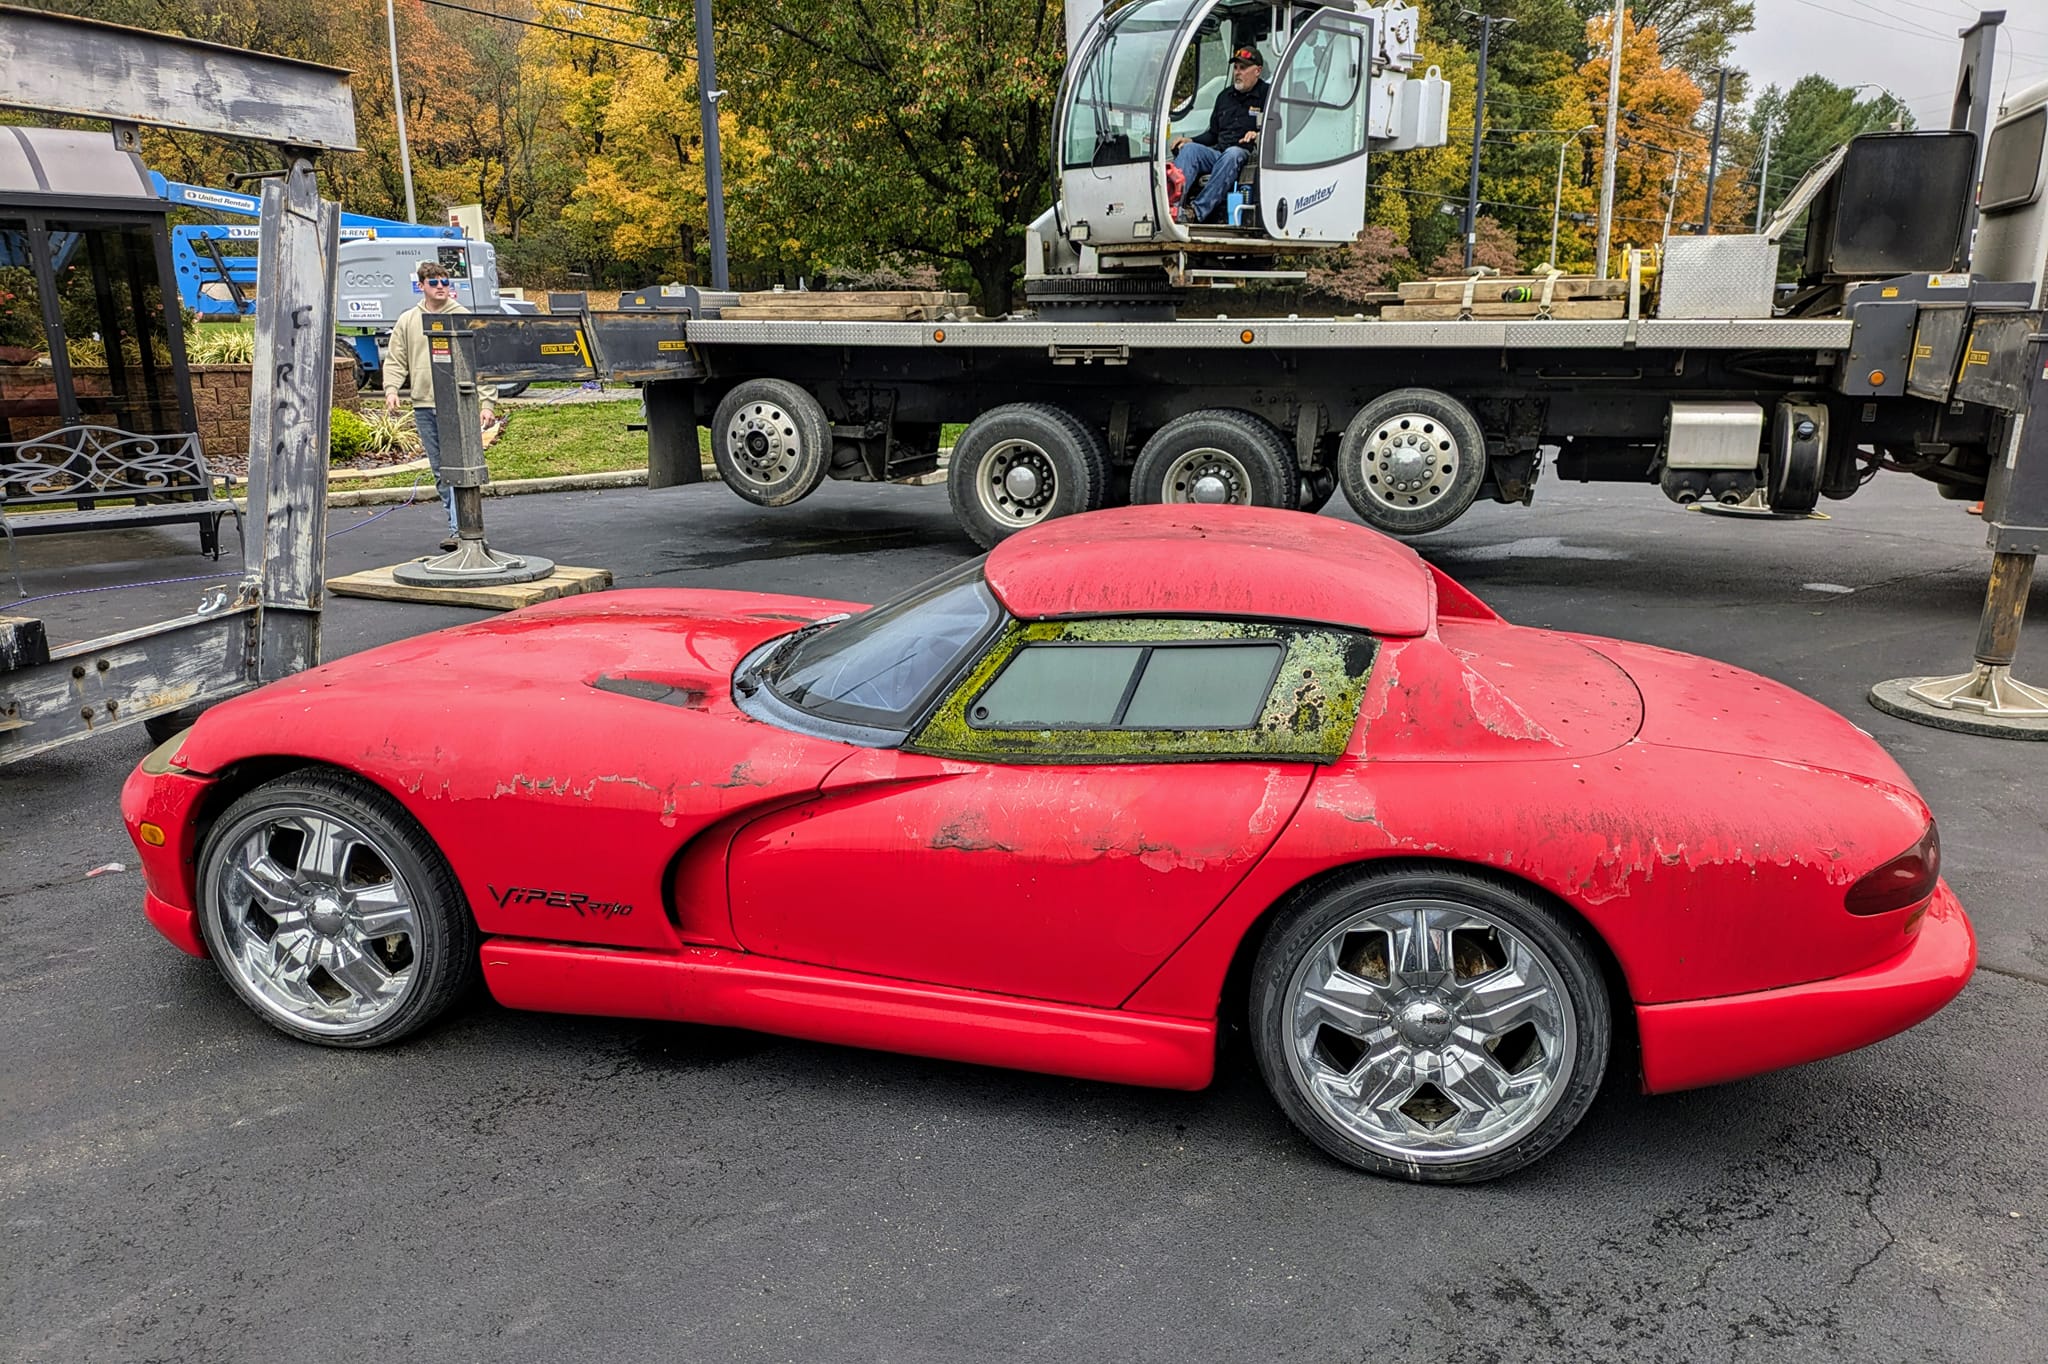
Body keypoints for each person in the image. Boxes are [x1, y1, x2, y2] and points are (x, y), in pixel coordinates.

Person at [383, 261, 467, 550]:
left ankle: (461, 529)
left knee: (460, 467)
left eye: (445, 282)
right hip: (423, 405)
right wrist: (392, 389)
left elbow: (478, 362)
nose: (441, 287)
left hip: (456, 404)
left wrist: (487, 403)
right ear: (422, 286)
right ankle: (455, 526)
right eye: (434, 282)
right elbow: (396, 358)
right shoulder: (408, 320)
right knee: (441, 470)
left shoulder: (462, 317)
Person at [1170, 46, 1269, 225]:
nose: (1238, 73)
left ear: (1257, 71)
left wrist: (1259, 133)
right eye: (1236, 68)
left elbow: (1279, 128)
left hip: (1247, 156)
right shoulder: (1224, 97)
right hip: (1219, 153)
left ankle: (1197, 211)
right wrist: (1191, 140)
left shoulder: (1267, 95)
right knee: (1190, 150)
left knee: (1233, 153)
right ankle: (1172, 206)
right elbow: (1213, 134)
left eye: (1243, 68)